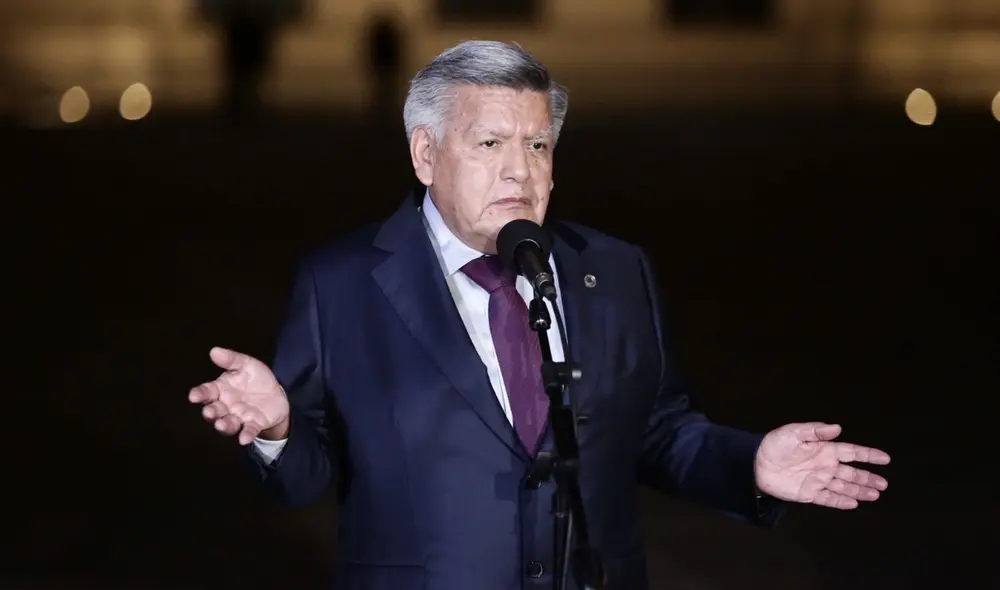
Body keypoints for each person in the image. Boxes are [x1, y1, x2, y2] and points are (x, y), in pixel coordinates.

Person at [187, 41, 890, 590]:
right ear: (426, 154)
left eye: (537, 145)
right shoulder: (342, 284)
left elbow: (658, 430)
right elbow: (306, 477)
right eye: (490, 144)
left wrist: (750, 463)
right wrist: (277, 427)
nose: (519, 171)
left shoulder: (614, 270)